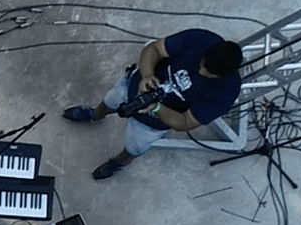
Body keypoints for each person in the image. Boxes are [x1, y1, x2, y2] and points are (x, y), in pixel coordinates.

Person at [64, 29, 244, 180]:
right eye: (202, 65)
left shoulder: (226, 92)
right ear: (208, 51)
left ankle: (119, 162)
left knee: (135, 147)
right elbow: (154, 49)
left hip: (153, 123)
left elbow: (185, 122)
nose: (200, 71)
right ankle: (94, 115)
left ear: (223, 76)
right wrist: (147, 74)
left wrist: (157, 108)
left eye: (208, 74)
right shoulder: (202, 39)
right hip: (131, 85)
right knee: (110, 100)